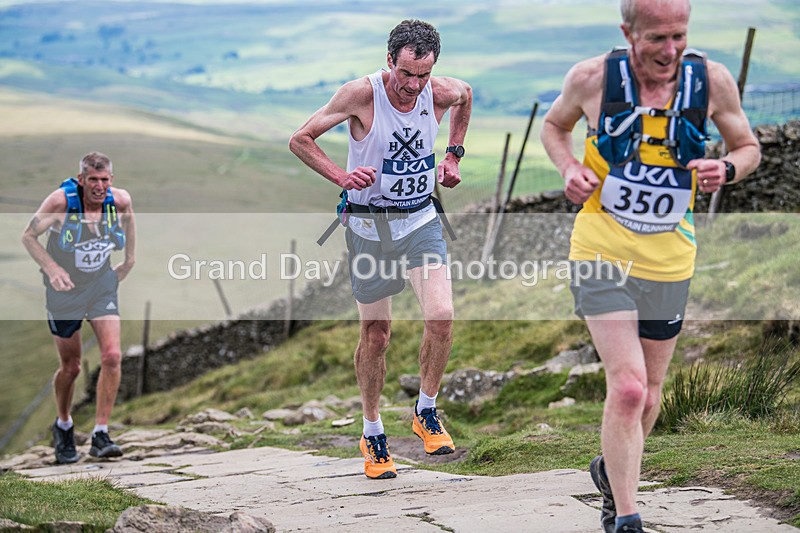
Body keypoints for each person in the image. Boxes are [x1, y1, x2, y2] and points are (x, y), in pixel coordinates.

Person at [540, 1, 760, 531]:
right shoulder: (593, 79)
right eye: (657, 38)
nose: (670, 51)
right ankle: (626, 515)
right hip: (600, 249)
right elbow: (554, 126)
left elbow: (748, 147)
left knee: (652, 390)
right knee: (631, 385)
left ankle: (612, 471)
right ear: (628, 33)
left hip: (670, 257)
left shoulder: (712, 82)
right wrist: (570, 167)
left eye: (679, 37)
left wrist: (725, 168)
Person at [289, 19, 472, 479]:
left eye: (423, 75)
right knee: (376, 336)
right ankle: (372, 433)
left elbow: (465, 96)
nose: (413, 86)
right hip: (370, 231)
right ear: (389, 59)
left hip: (421, 221)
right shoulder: (361, 95)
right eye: (406, 73)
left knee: (441, 315)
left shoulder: (439, 90)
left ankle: (425, 410)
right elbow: (300, 139)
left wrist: (453, 155)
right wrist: (342, 178)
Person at [21, 152, 136, 464]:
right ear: (82, 179)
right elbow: (29, 236)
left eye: (104, 180)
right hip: (65, 291)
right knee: (71, 367)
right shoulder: (61, 203)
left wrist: (129, 259)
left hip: (101, 285)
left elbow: (129, 220)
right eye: (93, 180)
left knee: (112, 356)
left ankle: (101, 434)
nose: (99, 186)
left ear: (111, 180)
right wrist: (52, 269)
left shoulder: (119, 200)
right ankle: (64, 425)